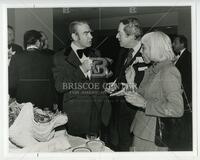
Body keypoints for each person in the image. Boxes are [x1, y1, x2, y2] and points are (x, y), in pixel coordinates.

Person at [124, 31, 184, 151]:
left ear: (155, 48)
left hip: (153, 136)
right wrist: (130, 82)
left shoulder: (168, 71)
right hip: (141, 131)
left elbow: (177, 109)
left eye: (144, 47)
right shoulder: (152, 69)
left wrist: (145, 104)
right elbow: (142, 97)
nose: (141, 51)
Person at [53, 20, 111, 138]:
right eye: (86, 33)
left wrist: (106, 88)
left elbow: (99, 82)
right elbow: (59, 86)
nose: (91, 36)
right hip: (77, 115)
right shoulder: (59, 57)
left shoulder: (96, 53)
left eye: (90, 32)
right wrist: (81, 70)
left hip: (98, 113)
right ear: (74, 36)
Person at [106, 17, 148, 151]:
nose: (117, 36)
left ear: (132, 36)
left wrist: (127, 87)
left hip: (136, 114)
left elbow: (145, 87)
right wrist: (114, 85)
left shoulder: (148, 52)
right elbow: (121, 76)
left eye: (120, 33)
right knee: (122, 145)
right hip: (121, 110)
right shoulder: (124, 51)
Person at [9, 30, 57, 111]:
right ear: (38, 42)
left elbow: (12, 84)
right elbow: (53, 83)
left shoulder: (16, 58)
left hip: (22, 103)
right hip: (44, 103)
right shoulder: (49, 58)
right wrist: (54, 101)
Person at [172, 35, 192, 150]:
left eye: (175, 42)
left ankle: (183, 146)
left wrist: (189, 97)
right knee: (180, 121)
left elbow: (188, 79)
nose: (173, 45)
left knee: (184, 122)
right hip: (178, 95)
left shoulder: (188, 57)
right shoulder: (178, 57)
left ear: (182, 44)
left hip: (184, 95)